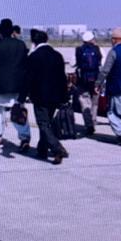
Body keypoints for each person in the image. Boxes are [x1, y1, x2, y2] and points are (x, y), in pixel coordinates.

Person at [0, 18, 31, 150]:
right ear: (12, 31)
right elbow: (26, 65)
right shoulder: (20, 45)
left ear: (0, 31)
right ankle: (24, 137)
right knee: (18, 111)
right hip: (17, 84)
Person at [21, 29, 70, 164]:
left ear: (33, 41)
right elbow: (62, 78)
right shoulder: (57, 55)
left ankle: (57, 148)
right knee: (47, 123)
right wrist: (65, 97)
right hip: (55, 96)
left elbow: (28, 79)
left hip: (40, 97)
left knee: (43, 124)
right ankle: (42, 149)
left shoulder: (34, 56)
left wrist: (21, 97)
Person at [74, 30, 102, 135]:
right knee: (95, 103)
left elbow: (75, 63)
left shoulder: (79, 50)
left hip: (83, 80)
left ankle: (88, 123)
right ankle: (93, 121)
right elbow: (100, 63)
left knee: (85, 101)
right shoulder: (97, 49)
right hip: (95, 79)